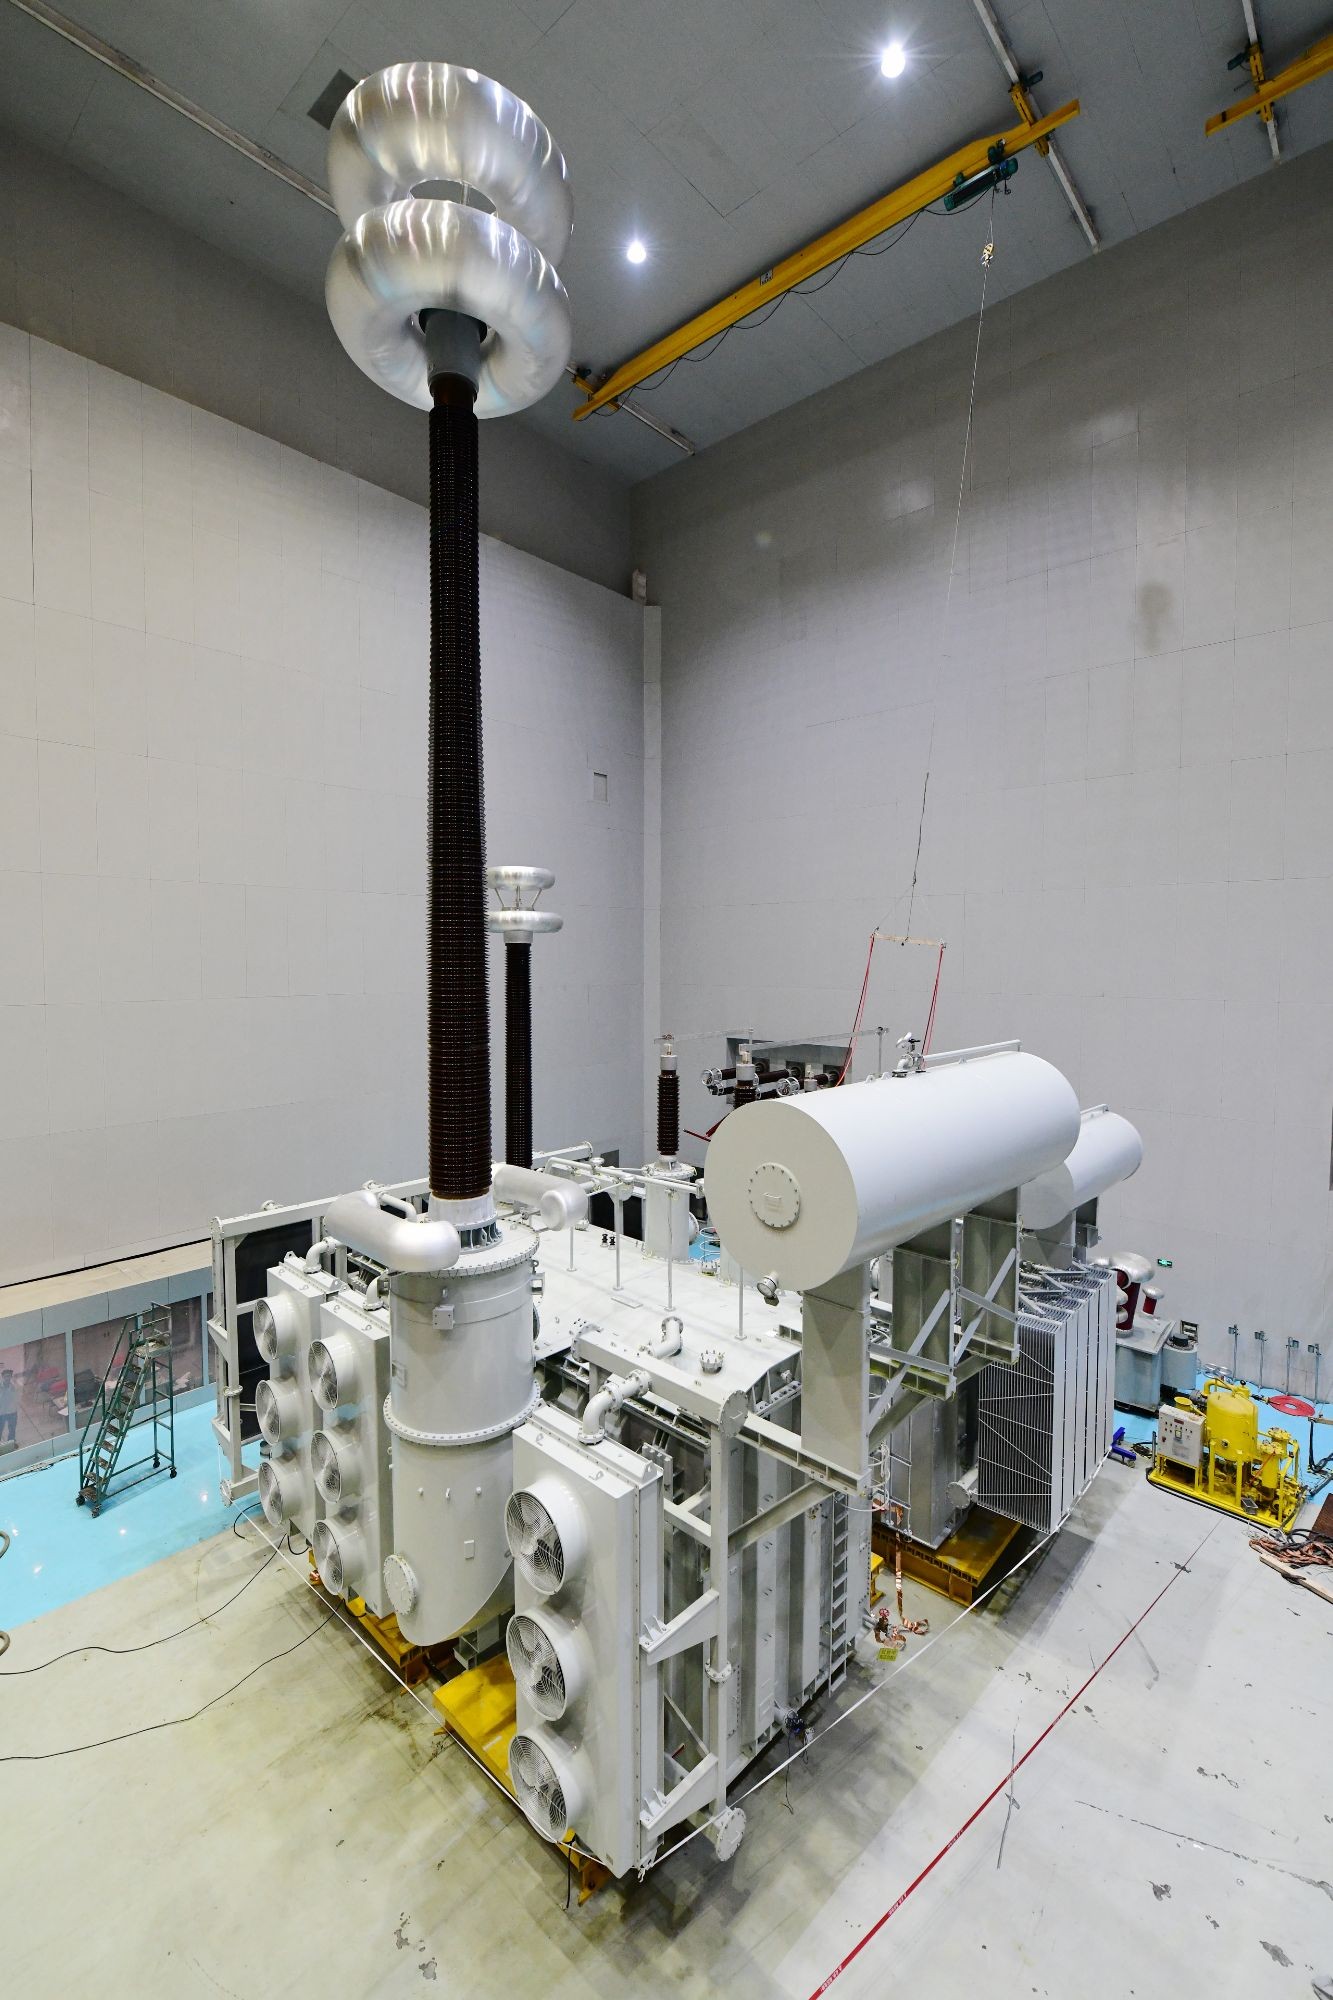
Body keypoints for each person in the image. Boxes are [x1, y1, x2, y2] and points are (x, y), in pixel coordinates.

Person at [0, 1367, 18, 1446]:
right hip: (1, 1413)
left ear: (11, 1377)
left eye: (9, 1376)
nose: (7, 1378)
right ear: (3, 1377)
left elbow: (17, 1398)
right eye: (6, 1376)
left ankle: (11, 1443)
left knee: (12, 1429)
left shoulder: (14, 1386)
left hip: (12, 1411)